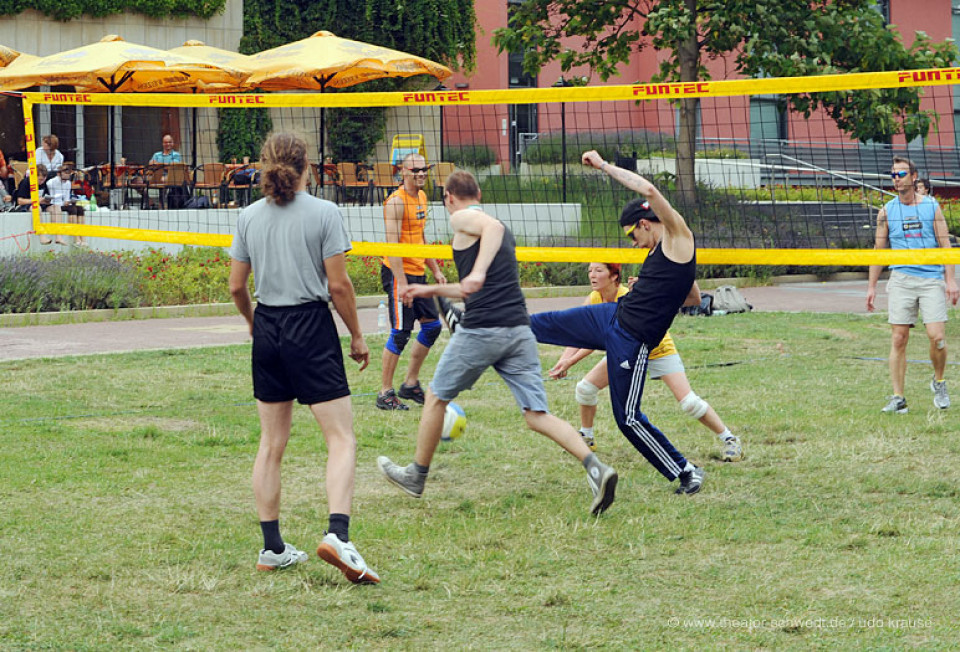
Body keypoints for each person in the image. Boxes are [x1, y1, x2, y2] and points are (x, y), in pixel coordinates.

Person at [377, 170, 619, 516]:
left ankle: (416, 475)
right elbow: (467, 290)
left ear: (449, 197)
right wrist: (430, 290)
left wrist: (475, 273)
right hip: (518, 330)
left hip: (483, 330)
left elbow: (484, 254)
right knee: (537, 415)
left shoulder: (470, 219)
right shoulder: (490, 227)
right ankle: (596, 468)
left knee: (435, 397)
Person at [229, 132, 380, 583]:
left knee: (271, 445)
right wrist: (356, 335)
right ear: (307, 166)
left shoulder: (248, 216)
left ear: (264, 165)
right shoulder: (325, 213)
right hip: (310, 326)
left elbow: (237, 286)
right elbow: (339, 286)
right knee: (341, 438)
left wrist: (255, 323)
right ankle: (338, 534)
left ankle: (272, 547)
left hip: (270, 327)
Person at [528, 151, 705, 495]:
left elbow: (651, 192)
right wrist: (653, 290)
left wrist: (603, 166)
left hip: (633, 339)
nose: (632, 244)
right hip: (612, 316)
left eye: (631, 236)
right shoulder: (658, 253)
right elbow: (693, 296)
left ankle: (685, 471)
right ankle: (481, 322)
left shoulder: (677, 238)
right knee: (549, 322)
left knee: (628, 419)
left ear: (644, 223)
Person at [547, 262, 743, 462]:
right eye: (590, 271)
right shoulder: (594, 297)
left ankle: (730, 439)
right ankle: (586, 437)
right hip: (626, 352)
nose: (592, 275)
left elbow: (600, 339)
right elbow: (578, 332)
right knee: (585, 388)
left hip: (656, 349)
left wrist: (570, 362)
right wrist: (562, 361)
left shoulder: (626, 296)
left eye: (598, 270)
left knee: (689, 403)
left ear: (614, 276)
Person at [866, 156, 959, 413]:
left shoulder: (931, 207)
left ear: (914, 176)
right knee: (898, 338)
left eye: (901, 174)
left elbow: (946, 246)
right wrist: (872, 286)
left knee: (937, 337)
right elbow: (878, 252)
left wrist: (950, 280)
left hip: (930, 279)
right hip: (901, 279)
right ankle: (898, 398)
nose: (896, 179)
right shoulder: (886, 211)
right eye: (893, 175)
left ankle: (939, 381)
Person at [376, 153, 446, 410]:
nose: (421, 174)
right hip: (398, 273)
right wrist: (402, 283)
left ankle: (410, 384)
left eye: (424, 169)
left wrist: (435, 269)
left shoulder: (423, 197)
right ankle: (385, 393)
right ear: (402, 172)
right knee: (401, 331)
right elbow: (392, 247)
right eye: (415, 170)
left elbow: (420, 237)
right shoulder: (395, 202)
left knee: (431, 327)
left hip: (418, 270)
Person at [44, 165, 86, 246]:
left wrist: (68, 201)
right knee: (73, 209)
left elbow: (66, 197)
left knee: (80, 209)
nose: (68, 175)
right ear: (59, 174)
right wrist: (64, 202)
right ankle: (76, 238)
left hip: (63, 203)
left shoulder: (68, 183)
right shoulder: (51, 183)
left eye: (69, 173)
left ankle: (83, 238)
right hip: (55, 204)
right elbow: (52, 199)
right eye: (65, 173)